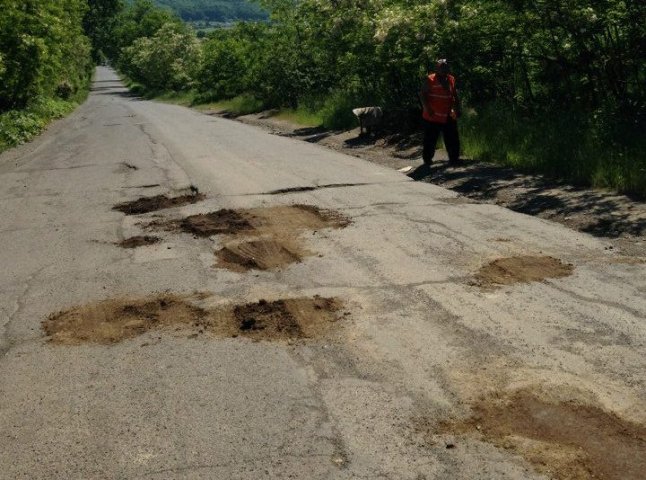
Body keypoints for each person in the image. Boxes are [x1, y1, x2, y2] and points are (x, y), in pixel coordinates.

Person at [419, 59, 461, 166]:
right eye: (442, 67)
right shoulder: (430, 79)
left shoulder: (451, 79)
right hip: (433, 116)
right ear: (436, 68)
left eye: (446, 67)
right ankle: (427, 160)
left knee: (452, 138)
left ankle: (454, 159)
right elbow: (423, 94)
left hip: (448, 115)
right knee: (430, 140)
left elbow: (454, 95)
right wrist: (428, 108)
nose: (444, 69)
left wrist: (457, 108)